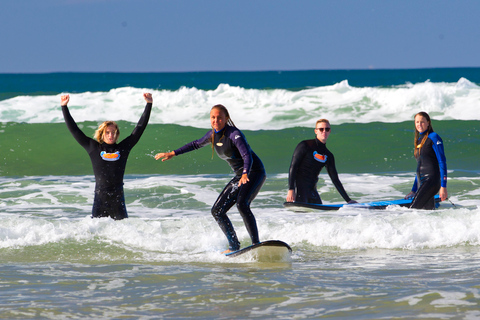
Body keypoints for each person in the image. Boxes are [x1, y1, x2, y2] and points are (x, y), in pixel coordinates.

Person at [154, 104, 265, 253]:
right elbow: (195, 144)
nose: (216, 120)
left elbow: (247, 155)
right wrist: (173, 153)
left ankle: (256, 243)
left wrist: (245, 172)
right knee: (217, 211)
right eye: (213, 117)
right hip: (240, 175)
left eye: (219, 117)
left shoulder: (234, 134)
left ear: (226, 118)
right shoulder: (212, 135)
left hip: (254, 172)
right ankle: (234, 246)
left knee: (242, 204)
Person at [61, 93, 153, 220]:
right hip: (100, 199)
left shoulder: (123, 148)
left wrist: (149, 104)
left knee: (123, 232)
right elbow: (74, 130)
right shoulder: (93, 148)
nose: (111, 135)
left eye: (114, 132)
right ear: (102, 134)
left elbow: (140, 128)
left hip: (118, 200)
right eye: (108, 132)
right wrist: (64, 107)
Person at [286, 119, 356, 205]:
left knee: (319, 215)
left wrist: (348, 200)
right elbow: (293, 167)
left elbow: (335, 179)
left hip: (312, 191)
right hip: (299, 190)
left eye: (327, 129)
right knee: (302, 215)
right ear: (316, 131)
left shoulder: (328, 155)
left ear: (330, 131)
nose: (324, 131)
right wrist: (291, 189)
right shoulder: (305, 145)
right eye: (321, 129)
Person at [404, 111, 448, 209]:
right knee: (426, 212)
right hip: (422, 181)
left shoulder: (433, 137)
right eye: (417, 122)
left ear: (428, 123)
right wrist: (413, 190)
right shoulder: (419, 141)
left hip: (431, 180)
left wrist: (443, 187)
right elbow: (420, 167)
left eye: (422, 122)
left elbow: (442, 162)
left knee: (413, 209)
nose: (419, 124)